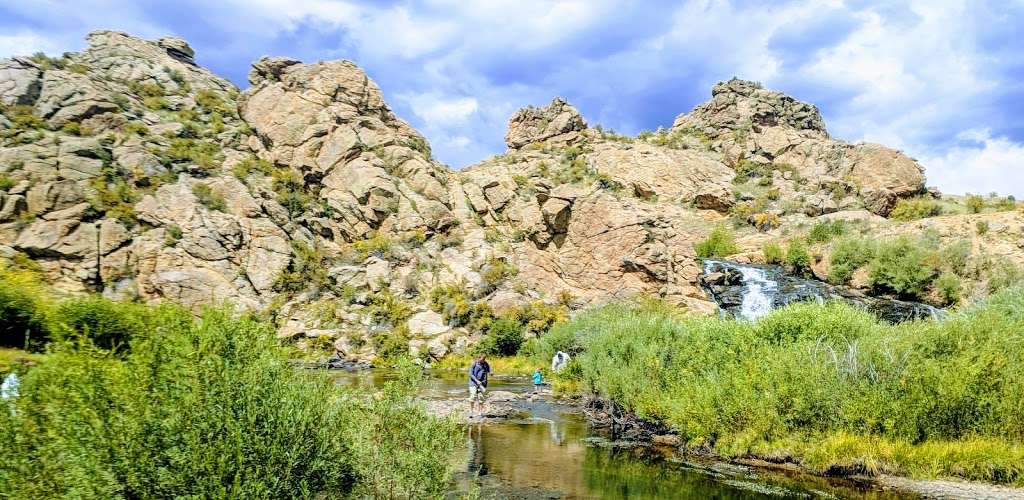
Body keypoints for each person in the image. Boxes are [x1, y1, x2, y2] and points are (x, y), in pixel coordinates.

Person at [468, 354, 491, 420]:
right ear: (479, 358)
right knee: (473, 396)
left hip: (482, 384)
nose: (483, 361)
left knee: (481, 398)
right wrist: (476, 380)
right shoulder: (474, 364)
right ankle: (471, 412)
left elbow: (489, 370)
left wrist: (491, 373)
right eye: (482, 359)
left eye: (484, 359)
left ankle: (480, 412)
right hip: (473, 383)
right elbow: (470, 374)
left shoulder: (485, 364)